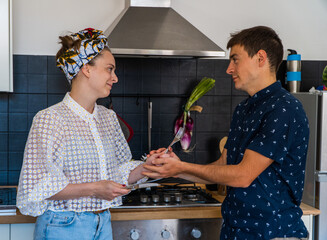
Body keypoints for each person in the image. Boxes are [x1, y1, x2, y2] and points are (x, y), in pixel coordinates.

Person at [143, 26, 310, 240]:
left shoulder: (284, 109)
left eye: (235, 60)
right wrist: (174, 170)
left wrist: (182, 166)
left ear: (260, 58)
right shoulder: (244, 109)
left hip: (272, 233)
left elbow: (242, 176)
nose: (229, 69)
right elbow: (223, 165)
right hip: (236, 231)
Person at [16, 28, 153, 240]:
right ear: (86, 69)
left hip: (103, 223)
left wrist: (149, 167)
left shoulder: (108, 118)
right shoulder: (49, 120)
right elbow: (37, 186)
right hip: (63, 226)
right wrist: (95, 189)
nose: (115, 78)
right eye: (110, 69)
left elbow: (118, 173)